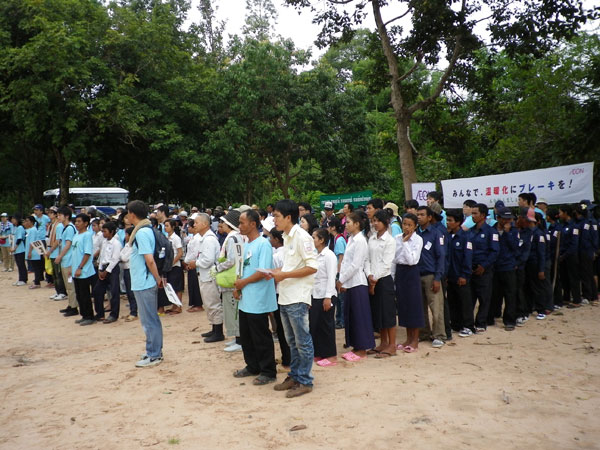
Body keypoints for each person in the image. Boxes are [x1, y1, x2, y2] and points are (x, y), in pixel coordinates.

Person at [270, 199, 318, 398]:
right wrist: (278, 272)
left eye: (277, 216)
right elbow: (292, 265)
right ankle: (295, 375)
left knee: (302, 341)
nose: (274, 220)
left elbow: (312, 267)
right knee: (292, 341)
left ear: (288, 217)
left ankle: (305, 381)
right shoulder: (287, 236)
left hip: (297, 296)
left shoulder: (302, 237)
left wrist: (285, 275)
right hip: (285, 295)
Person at [232, 209, 278, 385]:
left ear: (253, 224)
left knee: (261, 336)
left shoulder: (263, 244)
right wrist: (238, 287)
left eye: (242, 222)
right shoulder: (246, 244)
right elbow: (243, 268)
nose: (239, 226)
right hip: (246, 298)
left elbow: (263, 272)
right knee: (246, 335)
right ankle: (252, 365)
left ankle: (268, 371)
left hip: (258, 298)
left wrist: (243, 283)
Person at [127, 200, 164, 367]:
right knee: (148, 320)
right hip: (143, 281)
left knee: (150, 321)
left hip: (145, 282)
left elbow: (149, 260)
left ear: (132, 214)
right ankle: (152, 350)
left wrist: (157, 278)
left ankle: (154, 354)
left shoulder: (141, 233)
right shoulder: (145, 230)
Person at [336, 210, 374, 361]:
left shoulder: (360, 240)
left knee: (359, 316)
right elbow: (346, 262)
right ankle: (355, 346)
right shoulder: (351, 239)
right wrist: (343, 280)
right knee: (351, 315)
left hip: (357, 282)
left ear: (357, 224)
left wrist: (341, 279)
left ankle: (362, 349)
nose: (345, 225)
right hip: (349, 282)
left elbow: (356, 264)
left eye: (348, 222)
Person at [187, 213, 224, 342]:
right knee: (209, 303)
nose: (194, 225)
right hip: (205, 275)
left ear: (205, 224)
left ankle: (218, 332)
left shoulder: (209, 239)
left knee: (213, 303)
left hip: (210, 276)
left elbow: (208, 260)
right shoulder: (204, 238)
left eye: (196, 222)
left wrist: (195, 263)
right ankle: (214, 328)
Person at [365, 210, 397, 357]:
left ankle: (392, 345)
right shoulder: (372, 239)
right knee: (378, 312)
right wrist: (369, 275)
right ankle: (383, 342)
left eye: (378, 221)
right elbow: (367, 259)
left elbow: (386, 263)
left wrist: (375, 278)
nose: (375, 223)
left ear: (386, 222)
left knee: (388, 313)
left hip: (384, 280)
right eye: (374, 221)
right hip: (372, 278)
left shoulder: (390, 241)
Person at [415, 206, 446, 348]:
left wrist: (437, 278)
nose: (419, 217)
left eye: (422, 215)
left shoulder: (436, 233)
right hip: (416, 275)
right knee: (420, 307)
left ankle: (439, 335)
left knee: (436, 307)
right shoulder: (414, 233)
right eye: (417, 214)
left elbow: (441, 256)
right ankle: (424, 333)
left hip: (431, 275)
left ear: (429, 217)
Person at [394, 213, 424, 353]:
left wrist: (405, 243)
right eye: (404, 224)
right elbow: (395, 258)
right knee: (404, 305)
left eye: (409, 225)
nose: (406, 227)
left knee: (414, 306)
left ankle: (415, 340)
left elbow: (412, 260)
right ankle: (408, 338)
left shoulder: (418, 240)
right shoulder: (397, 238)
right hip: (400, 271)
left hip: (411, 272)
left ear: (415, 226)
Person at [468, 203, 499, 332]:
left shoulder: (491, 232)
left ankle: (481, 323)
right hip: (470, 269)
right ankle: (468, 323)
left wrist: (484, 266)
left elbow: (494, 252)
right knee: (470, 298)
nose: (473, 216)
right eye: (472, 213)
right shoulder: (470, 231)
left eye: (475, 213)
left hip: (484, 270)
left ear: (483, 215)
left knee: (484, 298)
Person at [216, 210, 243, 352]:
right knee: (231, 309)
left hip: (231, 278)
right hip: (233, 276)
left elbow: (232, 259)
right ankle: (236, 337)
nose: (221, 225)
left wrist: (218, 267)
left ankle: (239, 340)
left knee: (233, 310)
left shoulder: (233, 238)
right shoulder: (236, 236)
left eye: (224, 222)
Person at [488, 207, 520, 331]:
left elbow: (515, 247)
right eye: (505, 219)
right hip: (495, 267)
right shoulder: (491, 230)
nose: (507, 221)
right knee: (494, 294)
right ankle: (492, 316)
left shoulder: (514, 231)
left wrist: (507, 233)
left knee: (510, 294)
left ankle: (510, 320)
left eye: (509, 219)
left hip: (508, 267)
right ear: (498, 218)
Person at [310, 228, 338, 366]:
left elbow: (331, 277)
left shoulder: (329, 255)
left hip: (326, 294)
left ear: (321, 240)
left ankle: (331, 355)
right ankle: (320, 353)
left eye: (314, 237)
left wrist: (328, 297)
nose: (312, 240)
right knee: (317, 325)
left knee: (326, 325)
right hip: (316, 294)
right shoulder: (315, 254)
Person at [445, 209, 475, 337]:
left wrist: (464, 275)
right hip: (450, 276)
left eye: (450, 220)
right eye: (447, 220)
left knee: (465, 302)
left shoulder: (465, 237)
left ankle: (468, 326)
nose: (447, 222)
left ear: (458, 222)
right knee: (452, 301)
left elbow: (467, 257)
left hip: (461, 275)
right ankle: (456, 324)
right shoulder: (448, 236)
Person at [93, 221, 122, 323]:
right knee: (97, 291)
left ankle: (114, 315)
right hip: (103, 267)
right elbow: (102, 256)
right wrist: (100, 269)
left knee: (114, 292)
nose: (103, 234)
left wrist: (107, 271)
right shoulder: (104, 242)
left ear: (111, 232)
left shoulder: (116, 243)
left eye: (105, 231)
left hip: (112, 269)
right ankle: (100, 313)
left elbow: (115, 259)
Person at [71, 214, 98, 326]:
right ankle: (83, 315)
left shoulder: (87, 235)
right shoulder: (76, 235)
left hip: (84, 271)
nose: (76, 223)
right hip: (75, 269)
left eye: (79, 221)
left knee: (85, 294)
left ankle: (89, 316)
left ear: (86, 223)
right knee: (79, 294)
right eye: (76, 221)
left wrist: (80, 267)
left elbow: (87, 253)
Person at [525, 211, 553, 319]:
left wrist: (541, 269)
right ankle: (529, 308)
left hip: (537, 264)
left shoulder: (539, 234)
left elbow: (541, 253)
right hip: (529, 264)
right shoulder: (527, 232)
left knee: (539, 288)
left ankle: (541, 309)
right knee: (529, 288)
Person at [55, 206, 79, 317]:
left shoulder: (69, 228)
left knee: (70, 285)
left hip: (69, 261)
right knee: (67, 285)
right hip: (66, 260)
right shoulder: (66, 228)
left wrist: (60, 256)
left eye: (60, 215)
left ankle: (74, 307)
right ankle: (71, 304)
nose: (58, 217)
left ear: (67, 216)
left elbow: (68, 244)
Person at [558, 205, 581, 308]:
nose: (559, 215)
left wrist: (565, 255)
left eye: (560, 212)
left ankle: (576, 300)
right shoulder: (563, 225)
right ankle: (566, 298)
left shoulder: (574, 226)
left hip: (571, 256)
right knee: (564, 277)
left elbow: (574, 244)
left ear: (566, 213)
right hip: (563, 256)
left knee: (573, 278)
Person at [327, 217, 346, 329]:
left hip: (340, 272)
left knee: (341, 299)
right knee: (338, 298)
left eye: (329, 225)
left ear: (333, 227)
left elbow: (341, 258)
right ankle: (338, 319)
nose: (327, 228)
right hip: (337, 271)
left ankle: (342, 320)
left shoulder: (339, 240)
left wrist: (339, 274)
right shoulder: (334, 239)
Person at [45, 208, 67, 300]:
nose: (49, 214)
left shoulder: (59, 226)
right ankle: (58, 291)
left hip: (56, 252)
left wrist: (50, 251)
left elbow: (58, 240)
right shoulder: (52, 225)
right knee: (54, 274)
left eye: (52, 213)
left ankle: (62, 292)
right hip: (52, 252)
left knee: (58, 274)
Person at [183, 216, 203, 313]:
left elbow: (195, 253)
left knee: (195, 285)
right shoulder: (193, 237)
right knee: (191, 285)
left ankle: (198, 304)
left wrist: (190, 262)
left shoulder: (197, 239)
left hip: (194, 264)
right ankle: (194, 303)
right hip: (190, 263)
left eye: (189, 227)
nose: (188, 228)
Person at [164, 219, 184, 314]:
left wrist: (172, 262)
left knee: (177, 287)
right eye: (165, 226)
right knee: (171, 286)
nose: (165, 228)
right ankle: (174, 305)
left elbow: (180, 253)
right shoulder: (166, 238)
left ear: (172, 227)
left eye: (167, 226)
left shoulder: (176, 238)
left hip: (175, 266)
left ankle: (179, 306)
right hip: (169, 266)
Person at [119, 226, 138, 321]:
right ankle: (131, 311)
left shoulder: (133, 246)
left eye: (126, 234)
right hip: (125, 269)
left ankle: (134, 313)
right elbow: (120, 255)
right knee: (128, 292)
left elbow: (124, 258)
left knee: (131, 292)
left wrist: (120, 257)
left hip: (131, 270)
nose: (125, 236)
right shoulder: (127, 245)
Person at [24, 216, 43, 289]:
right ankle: (37, 282)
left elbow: (32, 242)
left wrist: (29, 252)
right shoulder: (32, 230)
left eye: (27, 221)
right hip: (33, 251)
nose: (26, 222)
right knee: (35, 267)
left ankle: (37, 283)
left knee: (36, 268)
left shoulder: (33, 230)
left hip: (34, 252)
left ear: (31, 222)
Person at [11, 215, 27, 286]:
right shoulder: (16, 228)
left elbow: (19, 239)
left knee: (21, 264)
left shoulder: (20, 227)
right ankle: (20, 278)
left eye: (14, 219)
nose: (12, 220)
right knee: (19, 265)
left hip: (20, 249)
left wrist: (15, 247)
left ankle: (23, 279)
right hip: (17, 250)